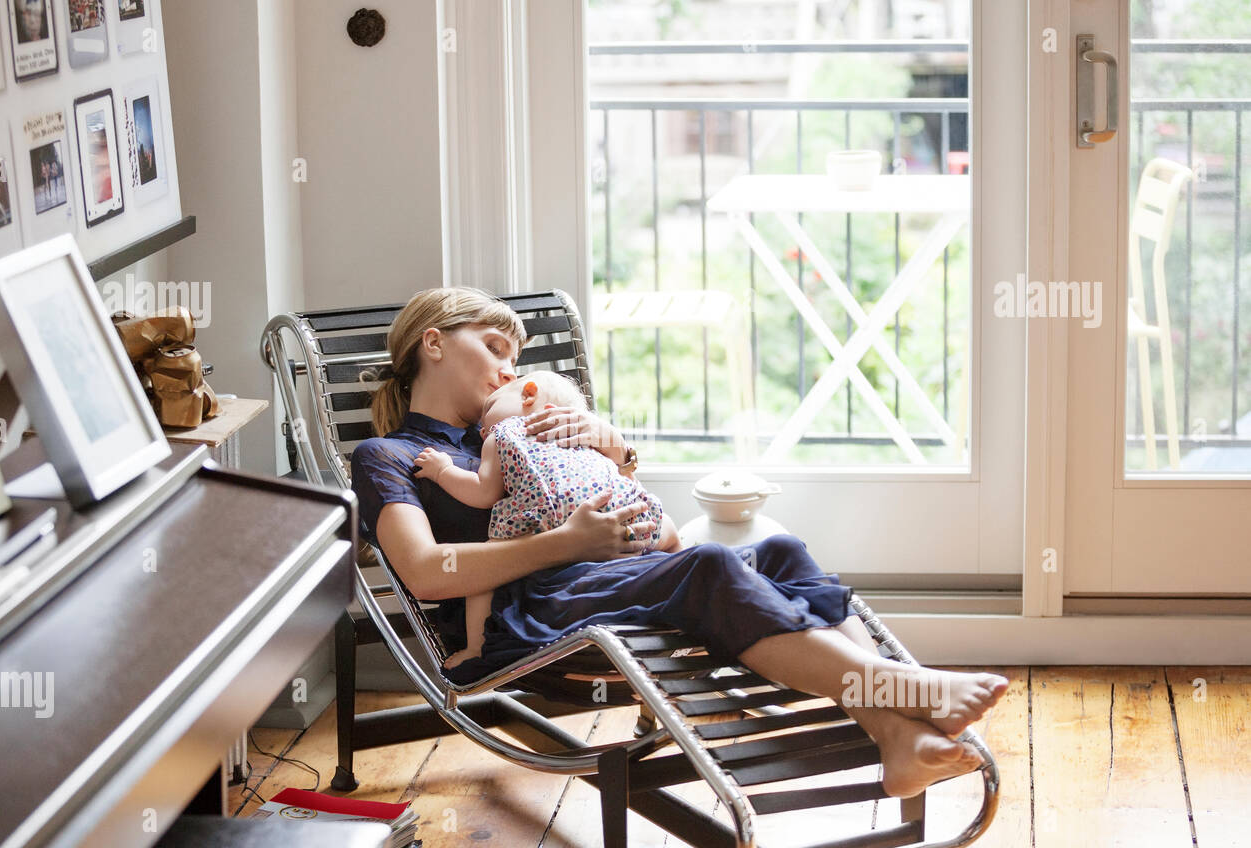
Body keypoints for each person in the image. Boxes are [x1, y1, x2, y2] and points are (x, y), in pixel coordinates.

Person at [350, 287, 1008, 798]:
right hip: (527, 618)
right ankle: (898, 688)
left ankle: (895, 736)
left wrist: (616, 462)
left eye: (515, 360)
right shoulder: (393, 454)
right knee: (712, 565)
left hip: (602, 585)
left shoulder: (528, 428)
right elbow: (428, 573)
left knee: (778, 553)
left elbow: (647, 533)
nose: (508, 371)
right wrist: (565, 541)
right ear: (432, 344)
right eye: (495, 347)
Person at [412, 368, 679, 671]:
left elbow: (483, 493)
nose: (481, 427)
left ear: (529, 395)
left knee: (484, 574)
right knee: (667, 530)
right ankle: (679, 579)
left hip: (545, 515)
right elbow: (616, 476)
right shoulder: (587, 435)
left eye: (488, 410)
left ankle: (476, 648)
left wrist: (443, 470)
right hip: (618, 509)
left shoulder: (505, 433)